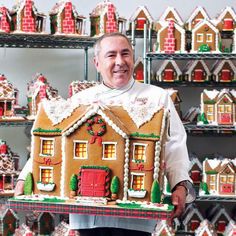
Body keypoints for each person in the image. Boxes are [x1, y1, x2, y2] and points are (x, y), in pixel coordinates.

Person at [15, 32, 195, 236]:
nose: (120, 61)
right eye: (111, 55)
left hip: (136, 219)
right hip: (87, 218)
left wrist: (180, 185)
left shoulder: (157, 98)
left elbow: (175, 147)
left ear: (133, 58)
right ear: (97, 63)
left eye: (125, 54)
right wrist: (25, 177)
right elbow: (55, 140)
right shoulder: (81, 100)